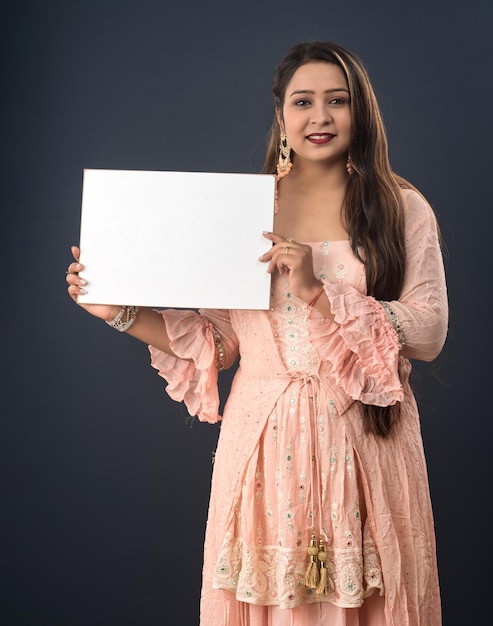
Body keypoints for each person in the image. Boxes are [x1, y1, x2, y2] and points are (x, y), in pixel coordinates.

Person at [66, 41, 448, 626]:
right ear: (282, 116)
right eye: (303, 101)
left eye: (337, 101)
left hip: (367, 437)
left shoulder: (400, 206)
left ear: (360, 112)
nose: (319, 117)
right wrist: (117, 312)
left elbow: (428, 330)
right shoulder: (243, 209)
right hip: (265, 441)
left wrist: (322, 291)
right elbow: (220, 344)